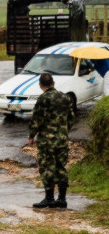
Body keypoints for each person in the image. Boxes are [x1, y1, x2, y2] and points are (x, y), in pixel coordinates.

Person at [29, 73, 74, 208]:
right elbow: (71, 117)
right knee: (61, 167)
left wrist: (32, 135)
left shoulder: (43, 99)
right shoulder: (65, 98)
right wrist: (64, 131)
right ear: (53, 83)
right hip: (62, 140)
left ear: (40, 85)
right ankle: (62, 199)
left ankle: (49, 198)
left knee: (47, 167)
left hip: (47, 142)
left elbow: (37, 119)